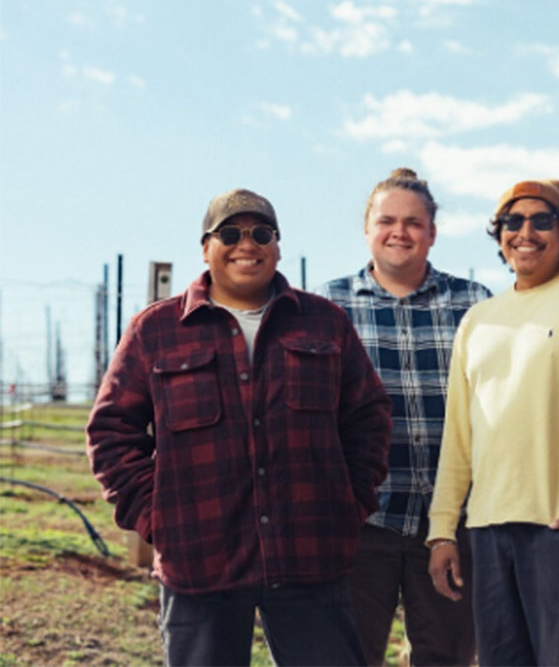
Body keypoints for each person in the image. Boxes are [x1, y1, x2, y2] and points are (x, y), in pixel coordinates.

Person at [86, 188, 391, 667]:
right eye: (230, 233)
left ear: (277, 246)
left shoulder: (325, 324)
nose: (246, 244)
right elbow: (111, 433)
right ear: (205, 247)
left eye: (261, 233)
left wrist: (347, 504)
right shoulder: (156, 331)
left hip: (309, 553)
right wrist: (155, 518)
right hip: (197, 558)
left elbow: (368, 419)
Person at [427, 179, 559, 667]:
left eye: (541, 221)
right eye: (512, 222)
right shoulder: (478, 321)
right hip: (487, 532)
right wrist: (443, 530)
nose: (526, 232)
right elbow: (458, 438)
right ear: (499, 235)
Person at [316, 168, 491, 666]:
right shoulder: (328, 307)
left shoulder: (472, 305)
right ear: (367, 229)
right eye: (387, 220)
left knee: (447, 656)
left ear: (432, 232)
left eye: (414, 222)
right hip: (360, 520)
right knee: (350, 654)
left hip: (451, 521)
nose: (400, 232)